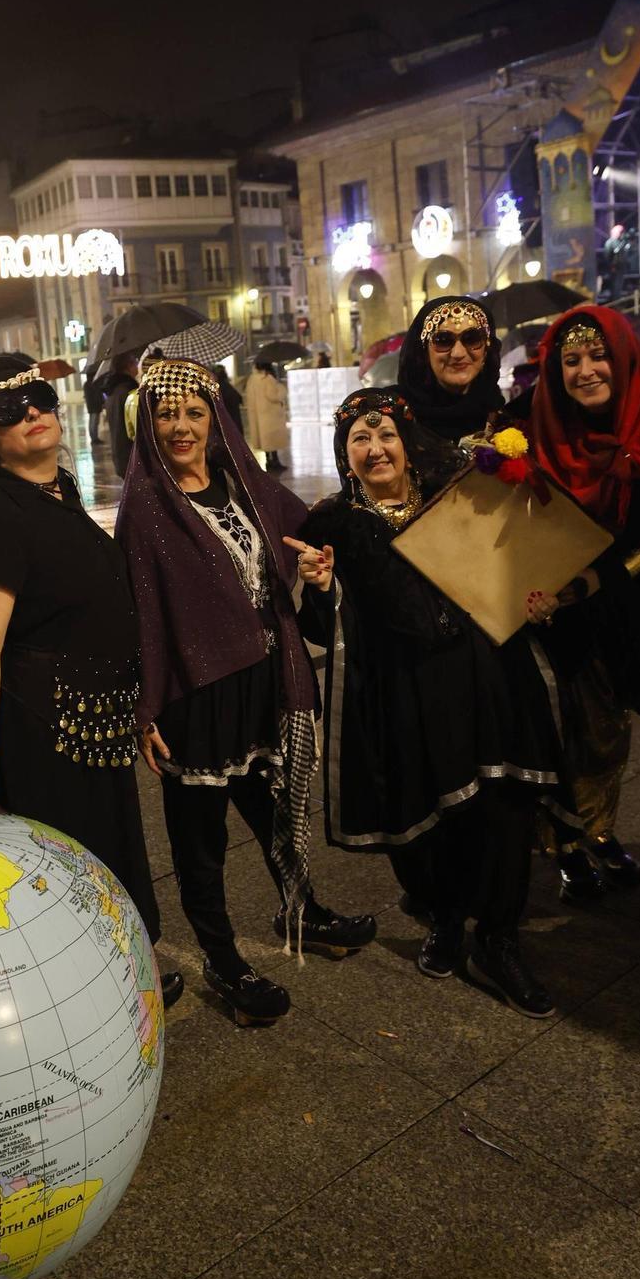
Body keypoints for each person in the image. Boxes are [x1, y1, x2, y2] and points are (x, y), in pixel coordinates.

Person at [117, 357, 375, 1027]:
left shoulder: (245, 484)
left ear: (215, 418)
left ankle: (303, 909)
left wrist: (318, 565)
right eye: (166, 413)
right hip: (197, 697)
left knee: (272, 810)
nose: (180, 426)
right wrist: (146, 709)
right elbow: (141, 615)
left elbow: (306, 538)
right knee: (198, 841)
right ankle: (223, 958)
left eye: (194, 412)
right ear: (148, 422)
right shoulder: (145, 505)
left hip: (266, 678)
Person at [297, 388, 571, 1017]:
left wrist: (539, 597)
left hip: (488, 678)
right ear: (345, 455)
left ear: (408, 442)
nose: (375, 449)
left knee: (503, 808)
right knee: (424, 820)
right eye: (359, 440)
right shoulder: (332, 522)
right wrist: (319, 587)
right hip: (401, 693)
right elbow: (318, 628)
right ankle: (447, 921)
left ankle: (499, 939)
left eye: (385, 435)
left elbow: (517, 565)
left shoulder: (461, 497)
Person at [0, 353, 181, 1007]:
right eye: (8, 411)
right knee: (72, 863)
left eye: (40, 398)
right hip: (46, 730)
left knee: (110, 850)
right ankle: (85, 999)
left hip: (93, 718)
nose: (32, 414)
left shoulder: (60, 492)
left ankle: (120, 973)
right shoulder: (0, 521)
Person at [526, 307, 640, 900]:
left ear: (623, 360)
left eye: (598, 356)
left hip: (623, 603)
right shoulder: (540, 429)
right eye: (570, 361)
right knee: (552, 722)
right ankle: (564, 839)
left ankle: (596, 829)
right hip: (541, 605)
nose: (585, 371)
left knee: (604, 727)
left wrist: (594, 583)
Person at [397, 296, 504, 443]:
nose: (458, 353)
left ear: (486, 350)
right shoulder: (395, 415)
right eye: (443, 341)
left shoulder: (500, 417)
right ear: (424, 353)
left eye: (471, 339)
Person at [244, 360, 289, 471]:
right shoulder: (267, 378)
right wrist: (282, 389)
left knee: (265, 439)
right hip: (270, 413)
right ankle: (275, 461)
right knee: (272, 438)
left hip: (259, 414)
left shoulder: (252, 379)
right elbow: (273, 395)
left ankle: (268, 460)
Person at [102, 352, 139, 478]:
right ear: (129, 366)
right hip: (133, 456)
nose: (137, 366)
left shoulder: (113, 389)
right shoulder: (129, 391)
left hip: (120, 454)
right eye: (135, 362)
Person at [213, 365, 244, 431]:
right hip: (235, 423)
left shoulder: (217, 389)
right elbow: (239, 399)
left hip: (228, 424)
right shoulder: (227, 386)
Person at [82, 363, 105, 444]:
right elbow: (97, 395)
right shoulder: (93, 383)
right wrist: (101, 402)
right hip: (95, 406)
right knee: (94, 422)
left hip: (91, 406)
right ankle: (94, 439)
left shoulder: (86, 384)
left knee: (92, 422)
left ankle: (93, 437)